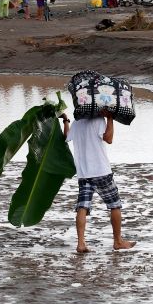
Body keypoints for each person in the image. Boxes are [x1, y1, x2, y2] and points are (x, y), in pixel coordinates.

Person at [60, 109, 136, 254]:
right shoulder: (98, 120)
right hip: (101, 171)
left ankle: (81, 243)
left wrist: (66, 120)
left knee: (82, 207)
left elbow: (66, 136)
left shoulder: (77, 123)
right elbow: (109, 139)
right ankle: (118, 241)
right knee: (115, 205)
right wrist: (110, 118)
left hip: (84, 173)